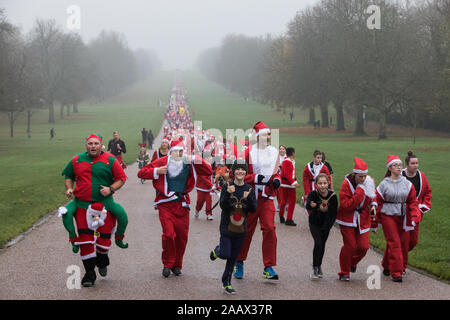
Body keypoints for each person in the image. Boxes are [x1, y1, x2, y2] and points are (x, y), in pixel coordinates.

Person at [59, 133, 129, 287]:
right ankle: (89, 274)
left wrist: (110, 189)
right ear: (86, 145)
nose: (93, 146)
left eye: (96, 143)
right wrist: (70, 188)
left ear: (101, 145)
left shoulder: (110, 160)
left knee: (103, 243)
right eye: (90, 143)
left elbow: (121, 178)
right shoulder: (76, 160)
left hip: (104, 207)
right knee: (86, 241)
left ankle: (103, 261)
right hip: (82, 207)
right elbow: (68, 176)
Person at [137, 138, 212, 277]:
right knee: (168, 234)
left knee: (182, 237)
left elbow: (208, 171)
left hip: (182, 205)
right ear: (171, 152)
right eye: (175, 151)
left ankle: (177, 264)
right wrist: (156, 171)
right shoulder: (163, 161)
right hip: (166, 204)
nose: (178, 154)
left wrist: (195, 158)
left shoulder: (188, 162)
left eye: (181, 151)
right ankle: (167, 263)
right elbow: (141, 173)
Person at [233, 121, 281, 280]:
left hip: (267, 198)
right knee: (246, 231)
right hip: (250, 198)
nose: (268, 137)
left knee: (270, 229)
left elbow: (276, 173)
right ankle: (238, 262)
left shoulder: (274, 152)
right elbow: (238, 175)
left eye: (269, 134)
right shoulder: (248, 153)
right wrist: (254, 178)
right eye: (265, 135)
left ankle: (268, 267)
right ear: (258, 137)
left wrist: (277, 180)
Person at [210, 160, 257, 294]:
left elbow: (253, 209)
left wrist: (247, 199)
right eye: (238, 169)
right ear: (233, 171)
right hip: (227, 227)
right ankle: (217, 251)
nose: (240, 172)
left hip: (241, 229)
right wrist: (230, 194)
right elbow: (223, 205)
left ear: (246, 172)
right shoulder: (227, 186)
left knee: (233, 258)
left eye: (243, 169)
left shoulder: (249, 189)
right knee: (225, 253)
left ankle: (227, 282)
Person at [375, 155, 421, 282]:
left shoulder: (407, 184)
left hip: (403, 217)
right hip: (388, 216)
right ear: (389, 168)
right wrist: (374, 221)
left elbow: (413, 201)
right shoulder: (383, 184)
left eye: (400, 165)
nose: (399, 168)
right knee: (394, 243)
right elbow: (376, 202)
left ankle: (386, 265)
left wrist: (415, 214)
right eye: (396, 165)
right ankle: (396, 272)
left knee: (402, 243)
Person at [336, 157, 377, 281]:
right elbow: (347, 205)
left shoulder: (369, 182)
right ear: (354, 174)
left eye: (365, 176)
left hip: (363, 219)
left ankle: (352, 263)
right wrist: (359, 192)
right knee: (350, 246)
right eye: (360, 176)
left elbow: (373, 196)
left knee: (363, 247)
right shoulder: (346, 184)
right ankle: (344, 272)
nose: (363, 179)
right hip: (347, 219)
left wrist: (373, 205)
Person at [401, 151, 432, 269]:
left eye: (417, 163)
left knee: (413, 242)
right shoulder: (401, 175)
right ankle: (401, 267)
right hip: (401, 214)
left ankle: (394, 254)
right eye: (413, 163)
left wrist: (424, 205)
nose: (416, 165)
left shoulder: (421, 176)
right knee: (403, 243)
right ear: (407, 164)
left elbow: (427, 192)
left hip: (416, 214)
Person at [305, 173, 337, 279]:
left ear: (328, 183)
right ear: (316, 184)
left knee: (322, 246)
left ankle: (319, 266)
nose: (322, 186)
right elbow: (307, 204)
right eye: (320, 183)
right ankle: (314, 267)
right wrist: (310, 205)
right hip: (314, 223)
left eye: (324, 183)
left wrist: (327, 227)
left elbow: (333, 214)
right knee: (318, 243)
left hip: (326, 225)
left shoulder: (333, 196)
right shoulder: (313, 194)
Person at [279, 147, 300, 226]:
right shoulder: (288, 161)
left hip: (285, 184)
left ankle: (281, 216)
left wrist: (294, 180)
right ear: (293, 153)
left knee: (283, 201)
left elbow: (291, 174)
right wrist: (294, 183)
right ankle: (289, 219)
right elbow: (288, 175)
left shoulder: (287, 161)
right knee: (292, 201)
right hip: (288, 185)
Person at [194, 151, 215, 220]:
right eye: (208, 157)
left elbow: (211, 176)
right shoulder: (202, 166)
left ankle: (209, 214)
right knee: (200, 201)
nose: (210, 158)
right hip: (201, 187)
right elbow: (203, 178)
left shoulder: (210, 164)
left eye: (210, 157)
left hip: (209, 187)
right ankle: (197, 210)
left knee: (209, 201)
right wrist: (211, 185)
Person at [276, 145, 287, 213]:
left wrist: (282, 166)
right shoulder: (276, 157)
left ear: (285, 150)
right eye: (280, 149)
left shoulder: (287, 158)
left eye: (283, 149)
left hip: (285, 177)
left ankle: (286, 203)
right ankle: (279, 203)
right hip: (278, 175)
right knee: (278, 191)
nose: (281, 150)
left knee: (285, 191)